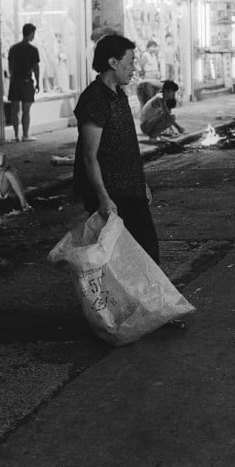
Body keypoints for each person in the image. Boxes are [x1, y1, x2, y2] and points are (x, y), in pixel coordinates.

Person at [73, 35, 173, 282]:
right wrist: (103, 198)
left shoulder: (118, 94)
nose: (134, 68)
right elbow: (89, 155)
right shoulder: (95, 99)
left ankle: (147, 312)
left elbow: (127, 146)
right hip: (112, 194)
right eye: (130, 62)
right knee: (117, 260)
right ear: (113, 62)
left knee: (145, 252)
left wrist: (141, 182)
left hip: (130, 187)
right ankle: (129, 314)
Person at [8, 23, 41, 142]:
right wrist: (38, 82)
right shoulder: (33, 50)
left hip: (15, 81)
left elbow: (10, 66)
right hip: (26, 82)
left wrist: (13, 76)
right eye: (33, 34)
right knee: (26, 111)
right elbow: (36, 67)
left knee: (14, 110)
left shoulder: (13, 48)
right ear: (31, 33)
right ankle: (25, 135)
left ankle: (16, 135)